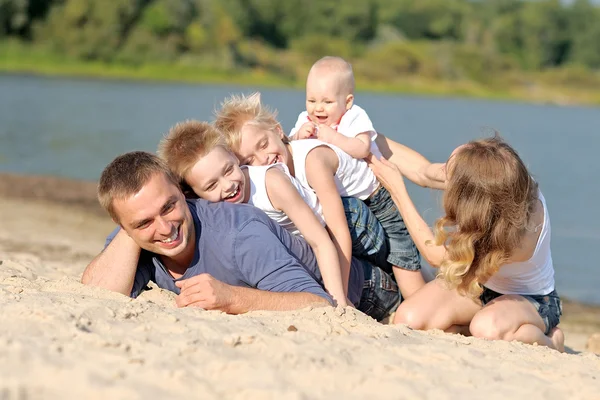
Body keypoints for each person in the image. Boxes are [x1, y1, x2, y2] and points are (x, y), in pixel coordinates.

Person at [81, 151, 400, 321]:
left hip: (367, 289)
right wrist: (130, 228)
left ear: (181, 191)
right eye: (143, 222)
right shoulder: (135, 233)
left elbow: (319, 305)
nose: (165, 228)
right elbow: (94, 293)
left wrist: (232, 297)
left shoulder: (239, 235)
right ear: (122, 224)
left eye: (169, 207)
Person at [215, 92, 435, 300]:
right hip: (355, 219)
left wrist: (340, 294)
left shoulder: (313, 161)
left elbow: (338, 229)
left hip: (377, 209)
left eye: (263, 145)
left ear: (278, 130)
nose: (262, 159)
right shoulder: (272, 169)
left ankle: (433, 287)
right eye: (248, 161)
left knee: (411, 284)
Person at [367, 136, 564, 351]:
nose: (444, 173)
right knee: (410, 319)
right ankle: (471, 324)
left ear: (475, 200)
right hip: (480, 288)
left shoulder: (520, 230)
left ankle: (552, 342)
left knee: (487, 328)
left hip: (531, 301)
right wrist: (369, 136)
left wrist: (397, 191)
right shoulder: (500, 182)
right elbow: (423, 171)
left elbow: (435, 256)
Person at [158, 120, 348, 306]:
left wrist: (338, 300)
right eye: (212, 185)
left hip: (343, 225)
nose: (228, 185)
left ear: (234, 158)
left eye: (229, 169)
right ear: (192, 195)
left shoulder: (272, 183)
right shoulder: (210, 212)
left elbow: (321, 241)